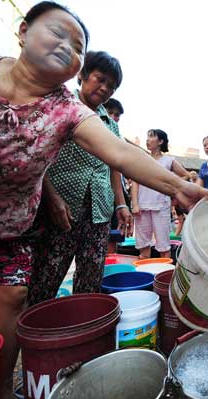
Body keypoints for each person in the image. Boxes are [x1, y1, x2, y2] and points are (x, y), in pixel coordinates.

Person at [0, 2, 208, 398]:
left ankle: (1, 388)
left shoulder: (67, 111)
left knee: (14, 293)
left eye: (77, 47)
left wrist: (178, 188)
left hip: (9, 218)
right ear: (23, 31)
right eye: (58, 33)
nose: (67, 47)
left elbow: (119, 155)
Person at [27, 50, 132, 306]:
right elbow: (37, 157)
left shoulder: (110, 124)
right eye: (100, 79)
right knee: (47, 275)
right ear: (83, 76)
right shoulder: (60, 107)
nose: (105, 88)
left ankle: (83, 328)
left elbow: (114, 166)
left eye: (111, 85)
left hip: (99, 209)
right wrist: (52, 198)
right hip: (61, 209)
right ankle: (33, 335)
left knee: (91, 277)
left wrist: (120, 204)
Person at [131, 129, 191, 259]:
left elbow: (185, 176)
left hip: (161, 207)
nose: (147, 139)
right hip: (142, 207)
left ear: (161, 141)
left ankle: (163, 275)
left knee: (164, 248)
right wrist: (135, 204)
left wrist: (172, 189)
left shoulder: (169, 161)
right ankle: (145, 275)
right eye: (147, 136)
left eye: (151, 137)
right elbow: (135, 182)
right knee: (143, 248)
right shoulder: (142, 159)